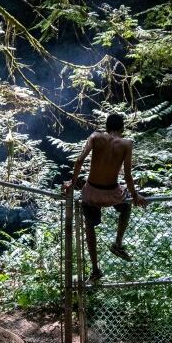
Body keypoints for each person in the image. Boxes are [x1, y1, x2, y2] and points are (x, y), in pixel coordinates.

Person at [63, 113, 147, 283]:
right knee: (127, 205)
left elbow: (79, 161)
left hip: (92, 192)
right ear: (122, 128)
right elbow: (128, 176)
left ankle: (95, 270)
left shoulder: (95, 137)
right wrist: (136, 194)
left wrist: (72, 183)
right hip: (113, 193)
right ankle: (117, 243)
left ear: (107, 127)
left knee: (89, 227)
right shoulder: (127, 144)